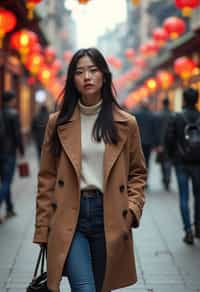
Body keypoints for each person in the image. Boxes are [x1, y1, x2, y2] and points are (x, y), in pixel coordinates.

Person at [33, 48, 147, 292]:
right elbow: (46, 179)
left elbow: (138, 173)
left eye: (93, 70)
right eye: (80, 71)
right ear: (72, 80)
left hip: (110, 214)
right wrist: (43, 229)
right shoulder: (58, 123)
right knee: (84, 288)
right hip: (69, 214)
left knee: (101, 287)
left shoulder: (126, 123)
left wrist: (132, 211)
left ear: (104, 76)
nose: (87, 76)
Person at [165, 88, 200, 245]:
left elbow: (169, 138)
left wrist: (172, 156)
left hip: (181, 162)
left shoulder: (177, 117)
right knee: (198, 196)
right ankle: (198, 227)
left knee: (184, 197)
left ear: (184, 100)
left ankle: (188, 231)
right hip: (198, 163)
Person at [0, 91, 24, 223]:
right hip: (9, 152)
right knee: (7, 181)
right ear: (11, 100)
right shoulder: (14, 114)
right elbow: (17, 134)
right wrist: (21, 151)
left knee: (4, 180)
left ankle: (9, 208)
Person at [133, 100, 157, 187]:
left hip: (138, 142)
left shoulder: (136, 115)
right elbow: (154, 130)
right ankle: (145, 180)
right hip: (148, 142)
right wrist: (155, 143)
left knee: (138, 162)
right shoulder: (152, 115)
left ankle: (139, 180)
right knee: (146, 162)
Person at [156, 97, 172, 191]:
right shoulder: (173, 114)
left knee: (163, 162)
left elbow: (157, 130)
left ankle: (164, 178)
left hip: (161, 142)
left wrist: (157, 143)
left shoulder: (159, 115)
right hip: (170, 143)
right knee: (168, 161)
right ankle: (167, 178)